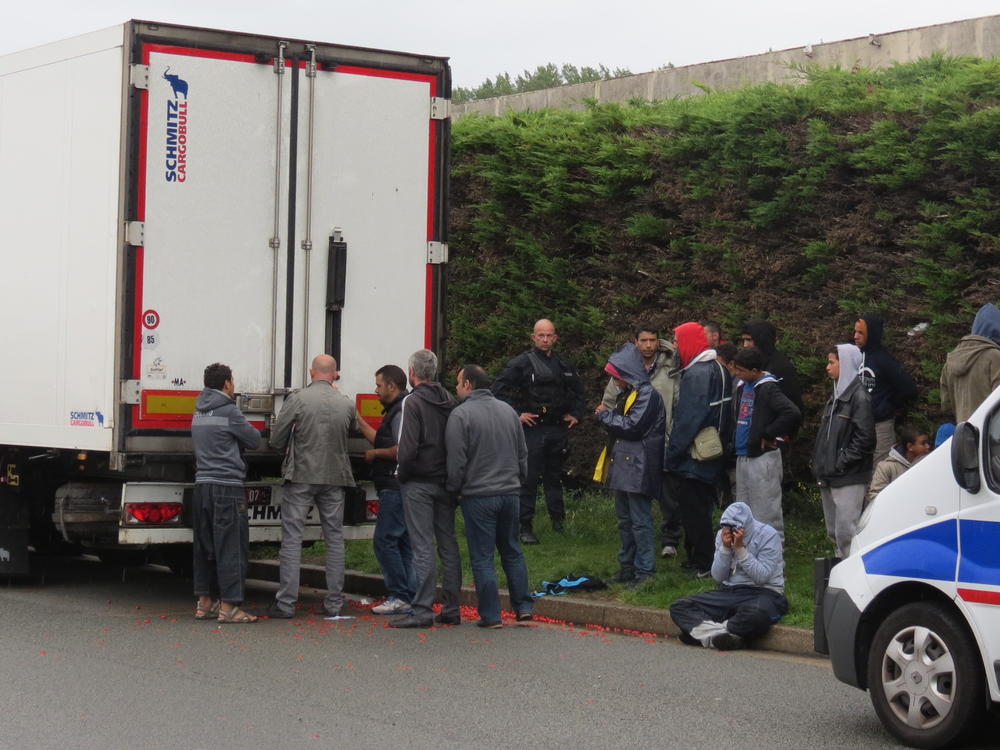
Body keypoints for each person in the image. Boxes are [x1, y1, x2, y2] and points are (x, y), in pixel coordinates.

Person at [445, 365, 533, 628]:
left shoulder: (460, 415)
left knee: (483, 556)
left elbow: (456, 460)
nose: (457, 387)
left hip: (478, 494)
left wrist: (454, 489)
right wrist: (519, 480)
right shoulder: (508, 411)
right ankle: (524, 607)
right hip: (510, 492)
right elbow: (522, 453)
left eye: (459, 383)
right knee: (513, 551)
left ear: (469, 384)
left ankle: (492, 615)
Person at [269, 354, 356, 619]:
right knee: (334, 539)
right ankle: (334, 604)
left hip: (302, 476)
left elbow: (277, 439)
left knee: (293, 538)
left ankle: (286, 604)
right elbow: (348, 433)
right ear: (335, 374)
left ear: (311, 372)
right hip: (335, 477)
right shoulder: (346, 403)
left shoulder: (297, 399)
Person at [492, 318, 586, 544]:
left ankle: (559, 524)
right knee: (529, 479)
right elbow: (497, 391)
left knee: (555, 477)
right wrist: (516, 415)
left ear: (556, 338)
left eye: (549, 335)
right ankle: (524, 527)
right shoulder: (521, 364)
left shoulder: (564, 365)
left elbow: (579, 392)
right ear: (533, 337)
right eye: (541, 335)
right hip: (532, 429)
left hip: (556, 428)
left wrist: (576, 414)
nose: (545, 340)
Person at [391, 349, 461, 628]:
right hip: (446, 480)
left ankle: (422, 609)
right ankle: (452, 607)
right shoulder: (450, 401)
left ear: (411, 373)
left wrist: (402, 474)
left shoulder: (413, 402)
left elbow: (407, 447)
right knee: (448, 543)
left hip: (419, 480)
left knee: (422, 545)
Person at [600, 324, 682, 559]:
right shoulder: (625, 368)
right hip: (629, 450)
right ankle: (632, 562)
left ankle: (669, 541)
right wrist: (607, 415)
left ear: (658, 341)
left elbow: (678, 404)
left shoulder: (670, 367)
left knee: (665, 497)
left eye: (653, 340)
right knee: (631, 514)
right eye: (644, 340)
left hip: (661, 441)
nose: (648, 345)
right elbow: (610, 401)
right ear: (636, 342)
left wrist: (672, 436)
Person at [190, 362, 261, 623]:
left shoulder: (198, 412)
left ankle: (204, 601)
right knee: (231, 546)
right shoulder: (230, 411)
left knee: (205, 546)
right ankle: (229, 607)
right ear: (227, 384)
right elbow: (253, 440)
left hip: (202, 486)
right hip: (227, 488)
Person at [663, 322, 733, 578]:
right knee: (702, 507)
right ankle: (699, 557)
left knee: (694, 511)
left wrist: (673, 453)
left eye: (679, 342)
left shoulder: (697, 374)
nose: (676, 348)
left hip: (695, 456)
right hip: (714, 450)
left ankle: (702, 562)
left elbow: (689, 418)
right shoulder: (720, 368)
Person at [669, 502, 788, 650]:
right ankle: (725, 637)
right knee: (680, 606)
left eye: (734, 528)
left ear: (746, 526)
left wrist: (740, 549)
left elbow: (761, 577)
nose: (730, 531)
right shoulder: (722, 535)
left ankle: (703, 634)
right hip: (729, 591)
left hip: (764, 592)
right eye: (726, 527)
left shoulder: (768, 535)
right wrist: (725, 549)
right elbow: (718, 576)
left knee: (757, 615)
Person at [596, 343, 665, 587]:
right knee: (625, 520)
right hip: (625, 464)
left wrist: (605, 415)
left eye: (616, 376)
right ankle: (627, 567)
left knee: (640, 521)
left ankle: (645, 571)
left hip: (639, 465)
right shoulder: (630, 393)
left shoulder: (647, 395)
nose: (615, 381)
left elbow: (633, 427)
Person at [356, 364, 416, 616]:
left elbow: (401, 448)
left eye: (379, 385)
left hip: (394, 484)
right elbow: (382, 438)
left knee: (385, 540)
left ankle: (400, 594)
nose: (376, 390)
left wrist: (374, 454)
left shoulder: (401, 411)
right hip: (396, 485)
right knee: (402, 542)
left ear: (392, 385)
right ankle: (410, 595)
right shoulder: (395, 410)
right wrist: (358, 421)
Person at [730, 347, 801, 541]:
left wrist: (768, 433)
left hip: (763, 458)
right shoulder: (741, 386)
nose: (736, 374)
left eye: (741, 370)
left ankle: (774, 561)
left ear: (754, 371)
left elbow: (791, 412)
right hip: (743, 455)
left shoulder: (768, 387)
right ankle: (747, 559)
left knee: (766, 514)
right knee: (743, 512)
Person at [813, 344, 876, 558]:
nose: (827, 367)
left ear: (846, 362)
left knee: (847, 532)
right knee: (834, 532)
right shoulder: (835, 398)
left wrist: (842, 461)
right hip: (830, 474)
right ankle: (838, 572)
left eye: (832, 362)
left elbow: (866, 438)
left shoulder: (859, 397)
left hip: (848, 475)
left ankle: (852, 576)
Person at [854, 313, 918, 465]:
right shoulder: (859, 357)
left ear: (872, 334)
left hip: (880, 427)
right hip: (861, 426)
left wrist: (889, 405)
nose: (856, 336)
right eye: (855, 331)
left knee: (880, 471)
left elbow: (908, 388)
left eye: (861, 332)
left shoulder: (883, 359)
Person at [940, 302, 1000, 424]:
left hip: (965, 435)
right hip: (991, 436)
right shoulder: (994, 356)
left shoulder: (950, 361)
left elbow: (946, 406)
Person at [738, 319, 803, 414]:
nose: (745, 345)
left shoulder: (781, 368)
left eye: (749, 340)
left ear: (762, 340)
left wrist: (771, 428)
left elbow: (791, 410)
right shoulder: (748, 364)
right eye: (743, 340)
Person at [866, 427, 931, 505]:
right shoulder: (886, 467)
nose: (928, 446)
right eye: (923, 443)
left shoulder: (928, 464)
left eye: (927, 443)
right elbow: (875, 496)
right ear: (910, 446)